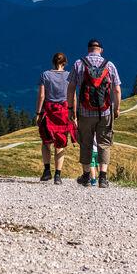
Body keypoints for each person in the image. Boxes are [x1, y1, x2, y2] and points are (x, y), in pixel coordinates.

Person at [68, 39, 121, 189]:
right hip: (105, 111)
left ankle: (86, 176)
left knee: (86, 142)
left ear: (88, 49)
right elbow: (116, 90)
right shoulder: (109, 65)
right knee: (104, 142)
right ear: (101, 50)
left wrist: (71, 109)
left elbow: (71, 88)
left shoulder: (79, 64)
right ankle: (103, 178)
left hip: (85, 112)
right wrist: (116, 108)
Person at [35, 52, 75, 185]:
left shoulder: (45, 75)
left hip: (49, 111)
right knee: (61, 144)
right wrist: (74, 113)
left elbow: (41, 96)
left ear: (53, 62)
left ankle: (47, 171)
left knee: (46, 142)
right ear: (65, 63)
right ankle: (58, 175)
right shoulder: (70, 76)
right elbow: (73, 96)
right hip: (64, 112)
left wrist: (39, 113)